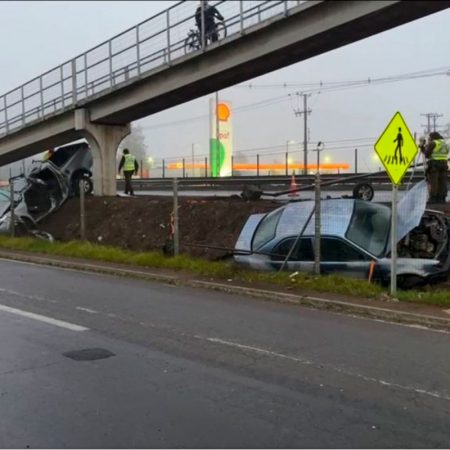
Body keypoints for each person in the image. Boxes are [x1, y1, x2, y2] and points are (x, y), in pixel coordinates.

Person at [419, 131, 449, 204]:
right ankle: (442, 198)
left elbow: (427, 155)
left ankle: (433, 198)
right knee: (443, 181)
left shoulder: (433, 143)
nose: (429, 139)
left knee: (434, 181)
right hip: (444, 164)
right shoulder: (444, 143)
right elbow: (446, 152)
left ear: (433, 137)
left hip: (435, 164)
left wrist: (422, 148)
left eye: (430, 137)